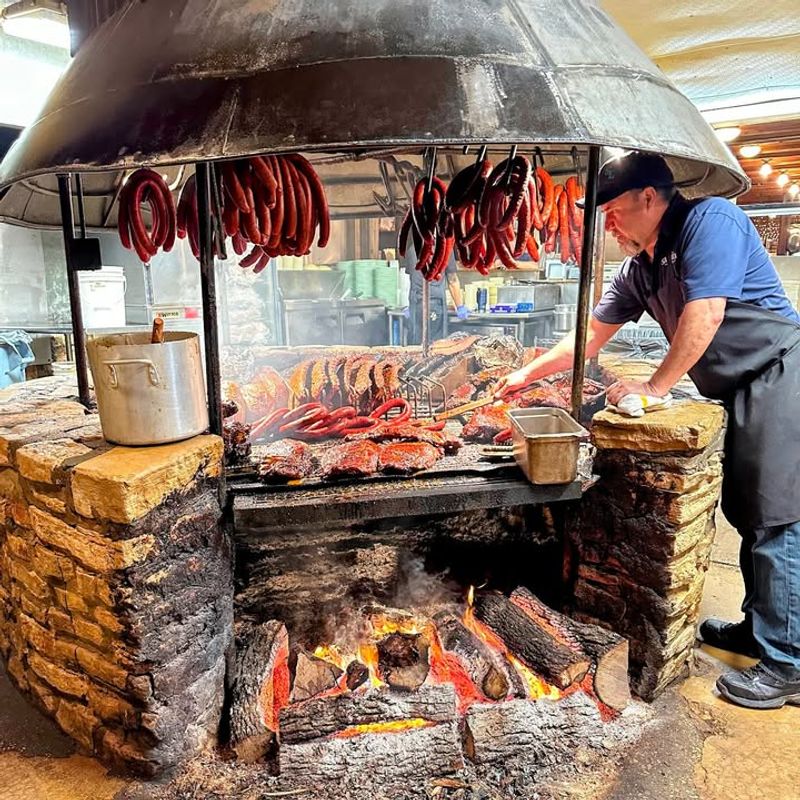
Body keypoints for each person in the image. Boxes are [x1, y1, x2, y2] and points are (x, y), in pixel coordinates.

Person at [494, 151, 800, 710]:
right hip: (735, 386)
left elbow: (704, 314)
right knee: (746, 508)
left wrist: (654, 389)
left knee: (775, 514)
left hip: (780, 371)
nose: (608, 224)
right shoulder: (641, 268)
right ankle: (760, 631)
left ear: (650, 198)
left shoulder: (713, 222)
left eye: (612, 210)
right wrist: (523, 375)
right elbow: (589, 336)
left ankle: (787, 663)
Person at [404, 241, 469, 345]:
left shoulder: (412, 249)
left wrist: (409, 305)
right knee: (435, 346)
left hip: (415, 304)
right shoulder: (445, 249)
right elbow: (452, 280)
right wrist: (460, 306)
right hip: (433, 304)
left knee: (416, 345)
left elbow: (411, 279)